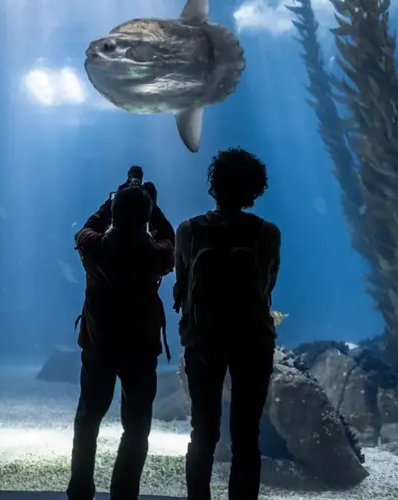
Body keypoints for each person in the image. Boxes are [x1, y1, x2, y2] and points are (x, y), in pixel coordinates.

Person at [173, 147, 281, 500]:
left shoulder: (188, 230)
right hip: (253, 341)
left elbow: (181, 288)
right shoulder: (267, 233)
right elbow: (267, 287)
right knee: (246, 435)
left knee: (203, 432)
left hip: (202, 341)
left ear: (214, 184)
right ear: (255, 189)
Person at [67, 176, 176, 500]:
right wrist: (152, 208)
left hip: (99, 346)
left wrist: (112, 199)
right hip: (140, 350)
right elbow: (169, 236)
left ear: (113, 214)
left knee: (88, 418)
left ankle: (81, 489)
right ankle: (125, 493)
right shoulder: (155, 254)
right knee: (137, 425)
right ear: (146, 216)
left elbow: (86, 227)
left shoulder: (93, 247)